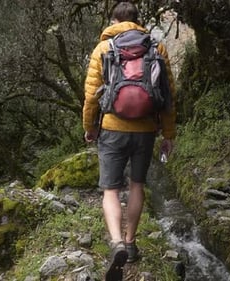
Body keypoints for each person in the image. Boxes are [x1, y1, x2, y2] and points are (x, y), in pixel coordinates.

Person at [82, 2, 176, 280]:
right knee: (137, 185)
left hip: (111, 127)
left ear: (114, 21)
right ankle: (131, 242)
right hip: (146, 129)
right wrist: (168, 135)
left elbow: (90, 97)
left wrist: (90, 128)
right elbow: (169, 97)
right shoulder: (155, 48)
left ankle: (116, 243)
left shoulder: (103, 49)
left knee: (110, 190)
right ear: (138, 21)